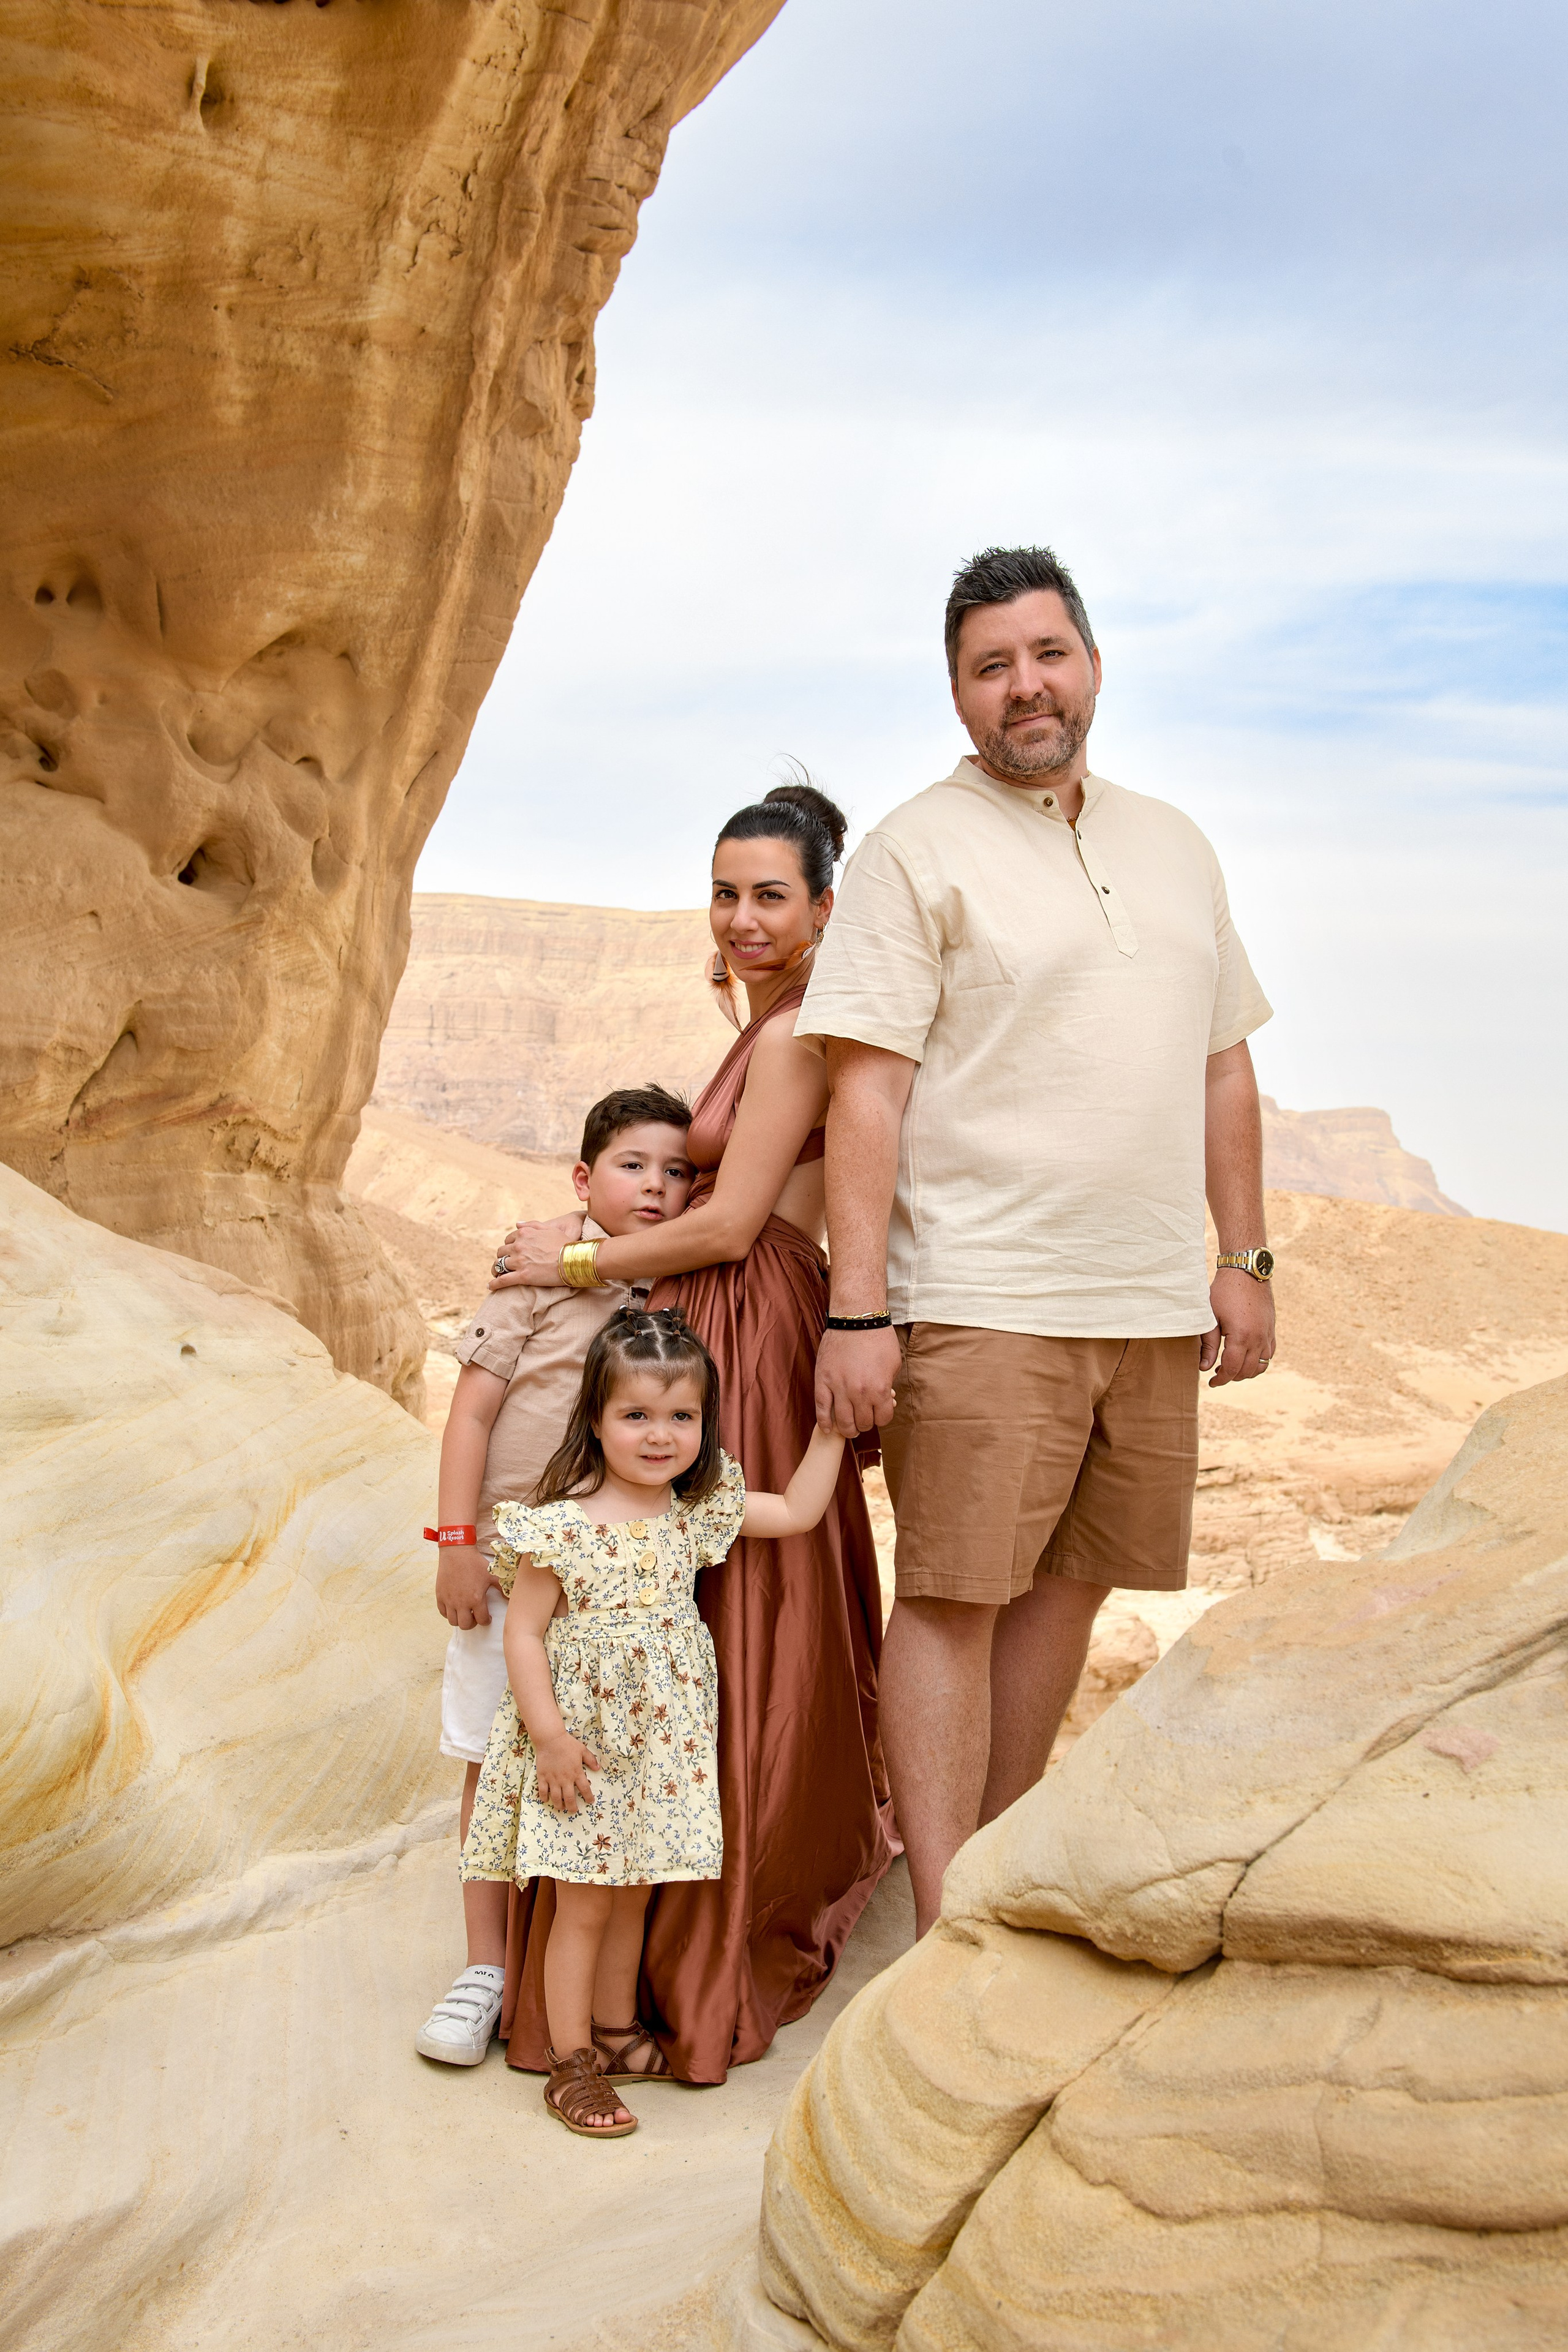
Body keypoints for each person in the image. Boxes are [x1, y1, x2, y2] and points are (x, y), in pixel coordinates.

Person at [802, 544, 1276, 1938]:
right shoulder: (913, 850)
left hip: (1147, 1304)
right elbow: (865, 1090)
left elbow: (1223, 1067)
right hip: (981, 1294)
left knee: (1068, 1592)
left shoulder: (1175, 844)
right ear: (957, 694)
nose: (1025, 686)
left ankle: (991, 1884)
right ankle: (940, 1921)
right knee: (953, 1597)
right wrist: (857, 1311)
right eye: (991, 666)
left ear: (1093, 665)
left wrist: (1243, 1259)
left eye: (1046, 654)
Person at [491, 780, 893, 2082]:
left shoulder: (797, 1034)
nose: (741, 919)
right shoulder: (769, 1021)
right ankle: (627, 1957)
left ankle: (694, 1954)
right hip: (724, 1309)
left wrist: (571, 1261)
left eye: (771, 895)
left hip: (752, 1313)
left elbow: (727, 1222)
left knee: (734, 1594)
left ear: (824, 907)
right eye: (724, 895)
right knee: (694, 1594)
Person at [461, 1306, 848, 2136]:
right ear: (596, 1421)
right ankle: (571, 2064)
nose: (661, 1435)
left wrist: (832, 1432)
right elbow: (524, 1636)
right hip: (584, 1752)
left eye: (681, 1416)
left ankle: (615, 2031)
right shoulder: (561, 1526)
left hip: (662, 1752)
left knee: (634, 1895)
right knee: (584, 1906)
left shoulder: (691, 1512)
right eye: (636, 1414)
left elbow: (798, 1512)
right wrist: (550, 1738)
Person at [413, 1086, 695, 2066]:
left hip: (610, 1595)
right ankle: (484, 1970)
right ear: (583, 1178)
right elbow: (472, 1413)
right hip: (506, 1569)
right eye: (632, 1166)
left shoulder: (670, 1284)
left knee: (588, 1766)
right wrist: (455, 1541)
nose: (655, 1188)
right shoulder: (534, 1278)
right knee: (491, 1764)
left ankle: (574, 1976)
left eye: (677, 1172)